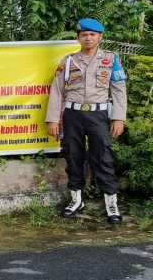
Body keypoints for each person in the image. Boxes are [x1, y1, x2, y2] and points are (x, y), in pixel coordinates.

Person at [45, 18, 127, 224]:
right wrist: (53, 119)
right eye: (84, 35)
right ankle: (76, 200)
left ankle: (111, 203)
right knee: (73, 155)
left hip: (98, 116)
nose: (88, 38)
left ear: (100, 37)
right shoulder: (68, 61)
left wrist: (118, 117)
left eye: (92, 34)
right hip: (72, 115)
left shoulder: (110, 59)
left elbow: (119, 91)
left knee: (103, 156)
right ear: (78, 38)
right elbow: (56, 92)